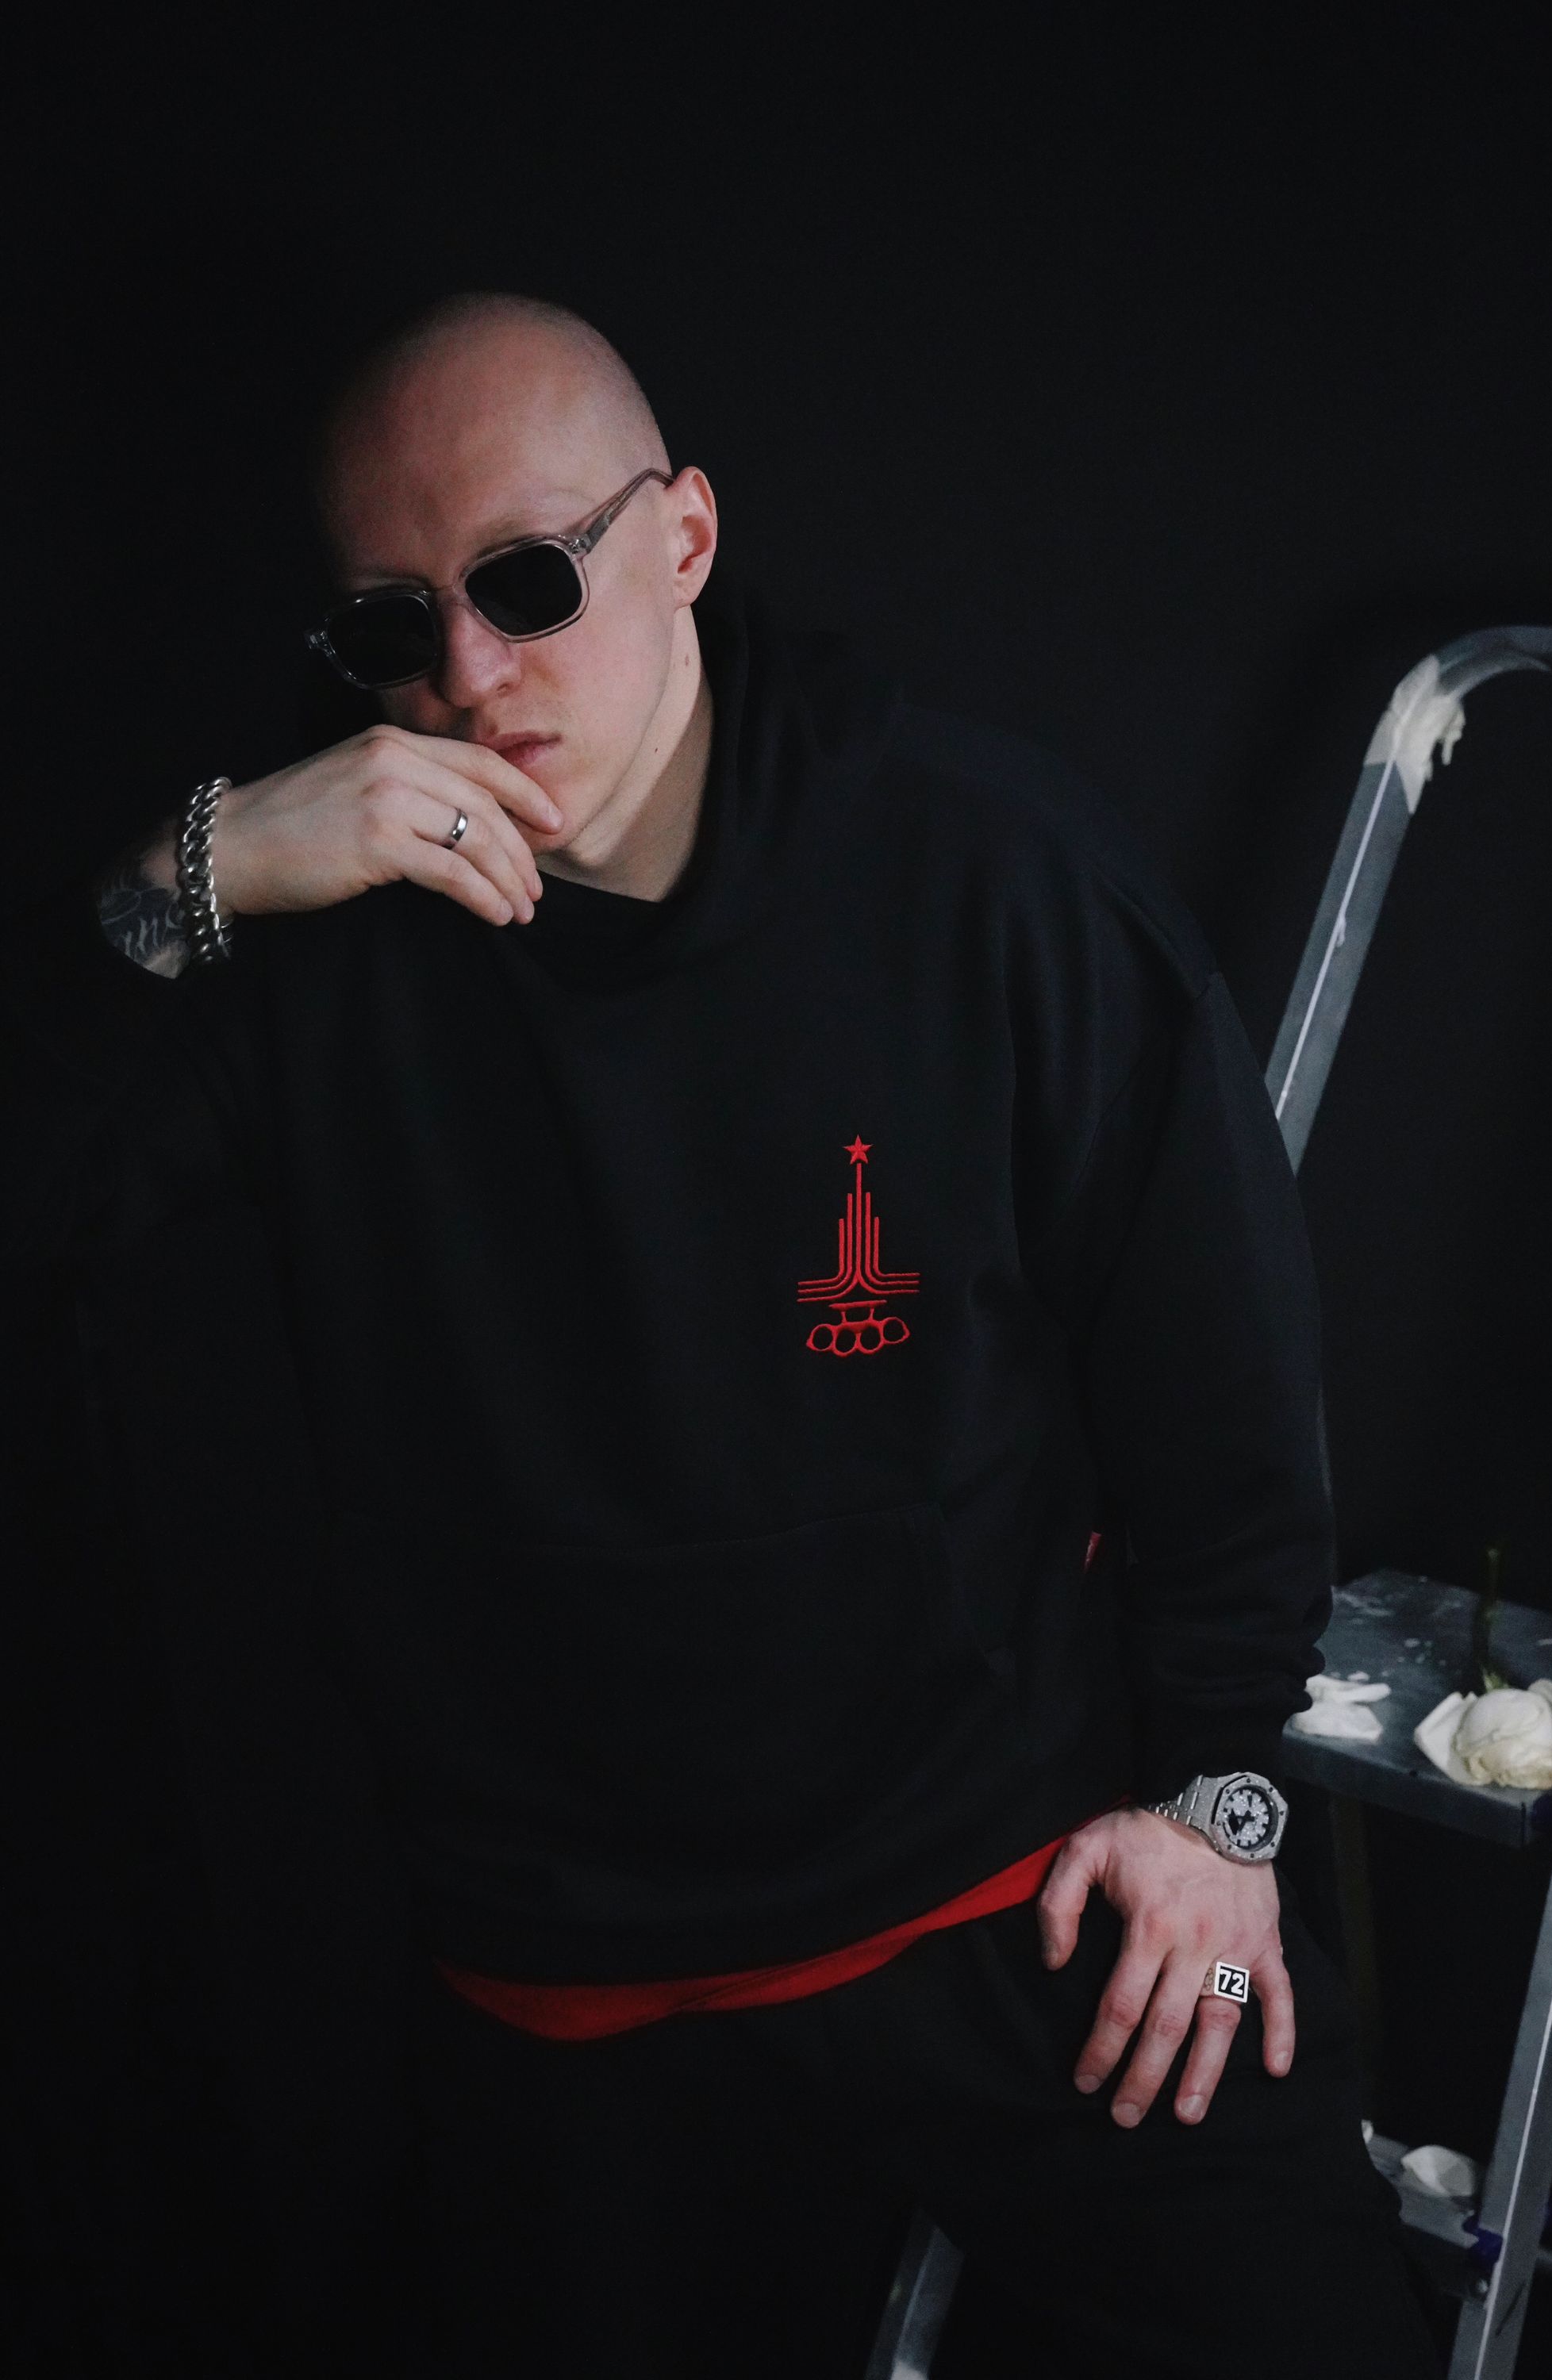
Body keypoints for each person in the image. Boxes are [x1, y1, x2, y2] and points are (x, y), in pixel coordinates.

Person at [21, 293, 1438, 2378]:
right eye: (397, 624)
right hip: (570, 1981)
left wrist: (1224, 1806)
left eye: (527, 582)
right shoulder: (309, 944)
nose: (469, 677)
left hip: (1018, 1891)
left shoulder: (989, 873)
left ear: (683, 536)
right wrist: (192, 874)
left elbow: (1223, 1399)